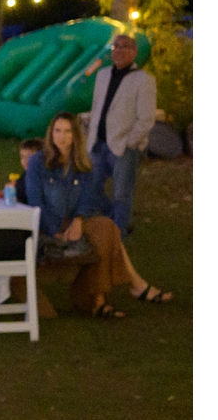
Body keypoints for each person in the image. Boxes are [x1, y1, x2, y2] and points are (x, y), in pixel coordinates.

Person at [25, 112, 171, 315]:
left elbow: (87, 199)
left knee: (106, 228)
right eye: (57, 131)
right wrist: (57, 229)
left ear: (75, 135)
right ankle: (119, 292)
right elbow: (36, 203)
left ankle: (101, 301)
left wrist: (77, 221)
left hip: (74, 222)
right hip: (47, 225)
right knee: (109, 235)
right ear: (51, 134)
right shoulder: (38, 163)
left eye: (67, 131)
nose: (62, 136)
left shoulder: (83, 164)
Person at [83, 31, 156, 236]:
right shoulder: (103, 75)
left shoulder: (144, 80)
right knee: (91, 187)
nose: (119, 51)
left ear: (134, 52)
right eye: (116, 46)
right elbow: (98, 105)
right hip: (99, 143)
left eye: (125, 47)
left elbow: (146, 119)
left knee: (122, 193)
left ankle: (119, 233)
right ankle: (114, 219)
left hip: (124, 146)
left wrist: (129, 143)